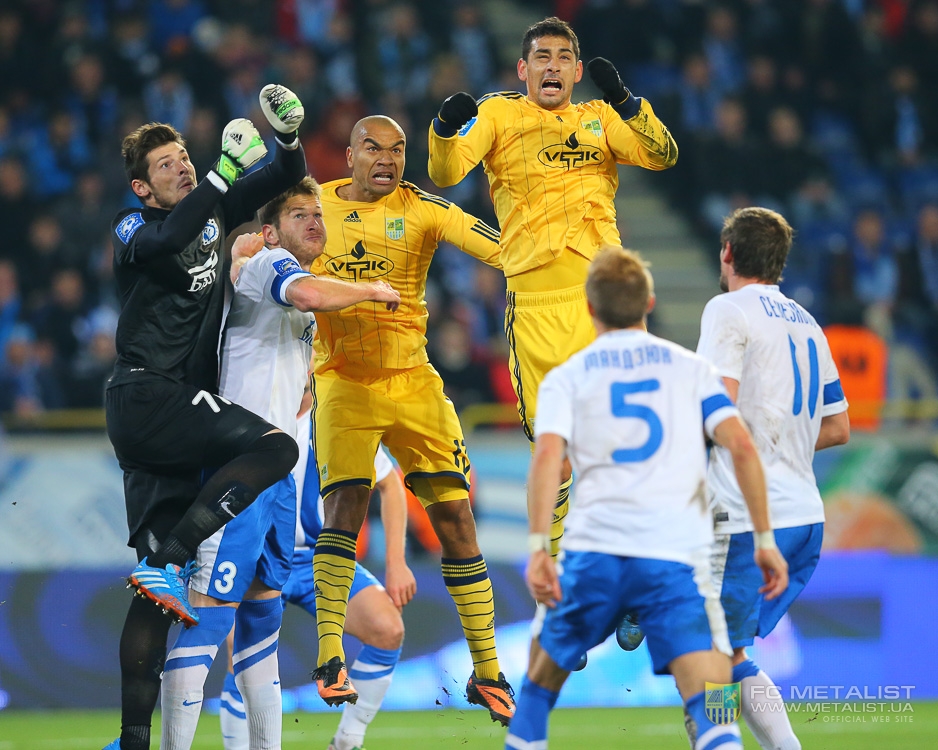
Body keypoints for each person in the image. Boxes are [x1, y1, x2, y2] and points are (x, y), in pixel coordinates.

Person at [427, 16, 678, 656]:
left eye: (565, 57)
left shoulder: (599, 117)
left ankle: (631, 583)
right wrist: (443, 128)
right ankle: (576, 588)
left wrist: (626, 101)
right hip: (536, 306)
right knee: (559, 456)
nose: (553, 67)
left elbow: (663, 153)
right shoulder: (499, 117)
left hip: (604, 303)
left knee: (623, 444)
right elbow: (448, 171)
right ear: (522, 69)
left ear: (575, 68)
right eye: (541, 56)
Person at [507, 246, 789, 750]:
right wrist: (765, 538)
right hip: (675, 560)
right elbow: (742, 446)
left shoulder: (566, 378)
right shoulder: (692, 369)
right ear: (650, 303)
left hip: (593, 556)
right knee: (718, 690)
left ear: (589, 308)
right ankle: (734, 737)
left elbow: (548, 459)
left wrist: (536, 548)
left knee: (536, 688)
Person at [156, 177, 401, 750]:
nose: (315, 221)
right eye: (299, 214)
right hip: (237, 475)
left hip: (279, 485)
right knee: (210, 620)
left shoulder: (280, 287)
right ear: (269, 230)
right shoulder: (270, 264)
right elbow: (311, 295)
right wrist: (372, 290)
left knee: (259, 636)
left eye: (318, 213)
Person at [103, 85, 308, 750]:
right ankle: (170, 555)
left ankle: (136, 739)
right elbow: (170, 239)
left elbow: (284, 177)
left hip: (169, 413)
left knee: (152, 596)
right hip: (146, 394)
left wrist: (288, 136)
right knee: (277, 448)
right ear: (141, 186)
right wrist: (220, 174)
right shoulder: (132, 229)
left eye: (185, 156)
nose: (183, 166)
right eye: (166, 165)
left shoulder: (216, 207)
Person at [308, 114, 516, 726]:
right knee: (342, 508)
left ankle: (487, 671)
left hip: (413, 382)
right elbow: (271, 265)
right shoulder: (312, 206)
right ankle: (329, 658)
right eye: (374, 148)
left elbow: (499, 247)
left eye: (398, 150)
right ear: (348, 155)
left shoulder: (424, 208)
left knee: (456, 515)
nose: (388, 159)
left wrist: (553, 258)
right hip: (342, 380)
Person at [696, 207, 850, 750]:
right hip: (805, 516)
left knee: (711, 663)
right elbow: (839, 427)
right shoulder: (807, 321)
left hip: (747, 518)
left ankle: (719, 742)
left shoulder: (727, 310)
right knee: (733, 655)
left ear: (729, 253)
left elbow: (719, 410)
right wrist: (779, 442)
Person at [219, 425, 416, 750]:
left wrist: (396, 561)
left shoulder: (336, 421)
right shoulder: (253, 414)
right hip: (258, 556)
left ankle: (347, 742)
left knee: (387, 629)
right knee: (239, 650)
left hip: (321, 558)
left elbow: (390, 484)